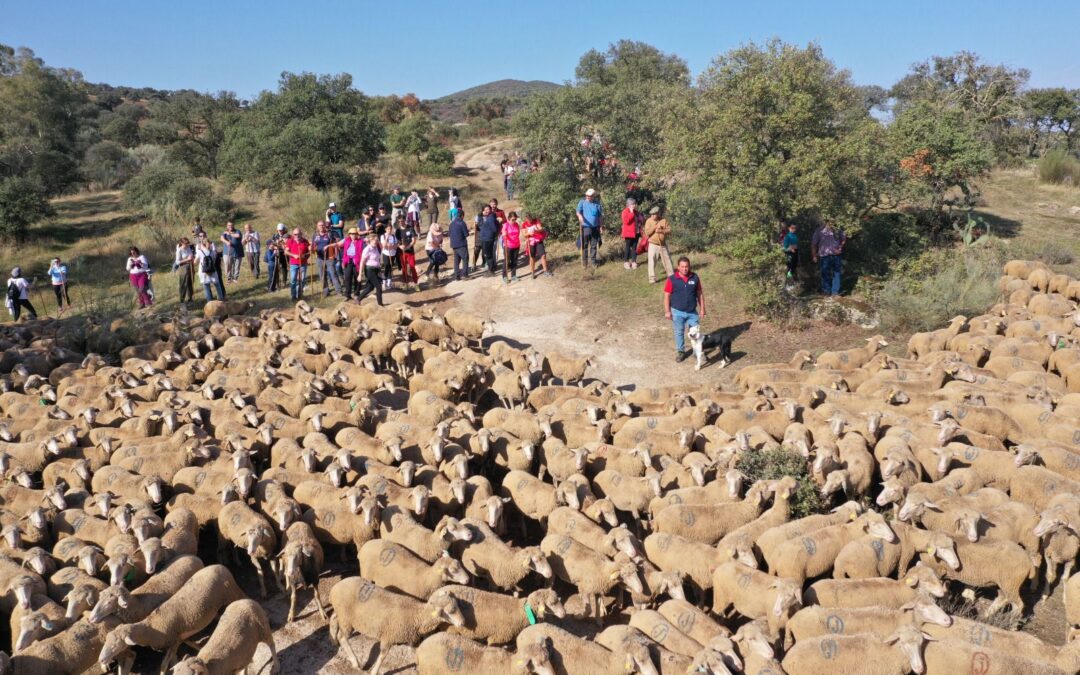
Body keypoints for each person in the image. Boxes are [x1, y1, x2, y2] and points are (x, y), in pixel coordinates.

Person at [664, 256, 706, 363]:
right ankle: (681, 352)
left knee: (695, 332)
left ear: (689, 266)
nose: (684, 269)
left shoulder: (695, 277)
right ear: (678, 267)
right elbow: (667, 296)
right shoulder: (672, 279)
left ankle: (697, 352)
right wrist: (667, 311)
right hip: (677, 312)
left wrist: (702, 309)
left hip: (692, 312)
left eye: (686, 266)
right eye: (682, 267)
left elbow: (700, 294)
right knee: (679, 332)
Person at [811, 221, 846, 296]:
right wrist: (814, 256)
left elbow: (843, 239)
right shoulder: (819, 230)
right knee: (825, 273)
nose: (831, 222)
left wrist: (840, 248)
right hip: (824, 256)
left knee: (837, 273)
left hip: (836, 255)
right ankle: (826, 291)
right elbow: (814, 244)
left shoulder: (838, 229)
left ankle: (835, 292)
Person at [312, 221, 343, 297]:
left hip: (329, 257)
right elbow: (313, 246)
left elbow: (335, 243)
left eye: (322, 225)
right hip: (320, 258)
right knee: (322, 275)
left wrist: (331, 249)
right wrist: (312, 248)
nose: (321, 227)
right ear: (317, 226)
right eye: (320, 225)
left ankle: (338, 291)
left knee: (333, 274)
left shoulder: (329, 234)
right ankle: (325, 291)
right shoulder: (315, 235)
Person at [643, 206, 673, 284]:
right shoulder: (648, 221)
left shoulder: (663, 220)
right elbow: (647, 233)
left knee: (667, 261)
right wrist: (655, 228)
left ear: (658, 214)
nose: (652, 216)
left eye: (654, 214)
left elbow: (670, 230)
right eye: (651, 214)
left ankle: (671, 276)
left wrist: (661, 230)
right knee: (652, 261)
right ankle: (652, 279)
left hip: (662, 245)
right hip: (653, 244)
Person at [576, 188, 603, 267]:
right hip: (585, 227)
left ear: (593, 196)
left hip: (595, 227)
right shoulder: (582, 202)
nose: (587, 196)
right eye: (587, 195)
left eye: (589, 196)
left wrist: (601, 226)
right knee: (585, 245)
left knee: (594, 245)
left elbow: (600, 216)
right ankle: (585, 262)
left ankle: (593, 262)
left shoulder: (597, 204)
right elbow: (578, 211)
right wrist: (580, 216)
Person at [355, 233, 384, 306]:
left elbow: (377, 260)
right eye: (376, 240)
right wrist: (360, 274)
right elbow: (362, 262)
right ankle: (380, 305)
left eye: (377, 240)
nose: (377, 242)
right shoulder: (367, 249)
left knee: (370, 287)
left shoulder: (376, 248)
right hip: (369, 270)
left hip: (376, 270)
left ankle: (358, 298)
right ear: (371, 240)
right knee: (378, 286)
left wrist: (379, 269)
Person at [285, 228, 311, 301]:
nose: (297, 235)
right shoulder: (290, 241)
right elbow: (286, 252)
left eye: (298, 234)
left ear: (301, 234)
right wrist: (293, 255)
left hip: (303, 263)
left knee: (302, 279)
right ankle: (293, 296)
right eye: (295, 234)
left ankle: (300, 294)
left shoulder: (305, 241)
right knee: (293, 280)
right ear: (293, 234)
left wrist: (307, 253)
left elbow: (309, 251)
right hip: (293, 263)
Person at [523, 214, 551, 278]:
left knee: (543, 255)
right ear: (526, 219)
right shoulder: (524, 224)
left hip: (538, 239)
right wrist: (529, 233)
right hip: (531, 241)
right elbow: (524, 234)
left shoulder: (536, 221)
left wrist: (536, 230)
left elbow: (541, 228)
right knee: (532, 257)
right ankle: (532, 272)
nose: (529, 220)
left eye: (530, 219)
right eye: (527, 219)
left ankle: (545, 271)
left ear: (531, 218)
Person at [396, 217, 420, 289]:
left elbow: (414, 240)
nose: (401, 222)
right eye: (399, 221)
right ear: (398, 222)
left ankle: (416, 284)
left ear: (404, 221)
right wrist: (400, 246)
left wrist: (408, 247)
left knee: (412, 267)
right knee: (404, 268)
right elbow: (396, 242)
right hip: (402, 252)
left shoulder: (410, 228)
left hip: (410, 252)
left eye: (402, 221)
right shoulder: (397, 231)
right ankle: (406, 283)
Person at [341, 227, 364, 301]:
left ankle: (357, 293)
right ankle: (347, 294)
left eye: (354, 234)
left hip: (357, 262)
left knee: (357, 278)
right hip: (348, 261)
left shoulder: (360, 241)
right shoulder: (346, 240)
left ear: (357, 234)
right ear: (349, 234)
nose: (353, 235)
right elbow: (338, 244)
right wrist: (330, 246)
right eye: (351, 234)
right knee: (347, 278)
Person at [477, 205, 500, 275]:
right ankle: (491, 268)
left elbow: (494, 229)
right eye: (485, 209)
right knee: (487, 254)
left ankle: (491, 270)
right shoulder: (488, 217)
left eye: (488, 209)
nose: (486, 211)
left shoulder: (491, 218)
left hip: (488, 239)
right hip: (485, 238)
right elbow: (480, 225)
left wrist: (491, 234)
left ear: (490, 210)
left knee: (488, 255)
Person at [621, 198, 643, 269]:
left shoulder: (636, 212)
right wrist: (631, 213)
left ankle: (634, 262)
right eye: (632, 204)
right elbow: (626, 221)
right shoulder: (625, 211)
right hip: (628, 233)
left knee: (634, 248)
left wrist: (640, 219)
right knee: (627, 247)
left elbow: (641, 219)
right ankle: (626, 262)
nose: (634, 205)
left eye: (634, 204)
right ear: (628, 205)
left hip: (636, 232)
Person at [501, 212, 522, 283]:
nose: (514, 221)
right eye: (513, 219)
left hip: (516, 245)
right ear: (509, 218)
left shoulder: (516, 225)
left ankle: (513, 276)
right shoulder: (505, 225)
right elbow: (503, 233)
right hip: (508, 245)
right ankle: (504, 276)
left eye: (515, 219)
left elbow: (518, 233)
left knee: (514, 261)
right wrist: (504, 234)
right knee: (506, 261)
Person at [448, 210, 470, 281]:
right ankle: (465, 275)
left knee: (456, 261)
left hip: (454, 244)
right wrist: (468, 231)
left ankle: (456, 276)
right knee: (465, 259)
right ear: (462, 216)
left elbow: (449, 234)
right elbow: (466, 234)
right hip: (461, 244)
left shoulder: (451, 223)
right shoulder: (462, 223)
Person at [267, 224, 289, 292]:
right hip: (277, 253)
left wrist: (284, 245)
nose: (280, 231)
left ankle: (284, 281)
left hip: (284, 252)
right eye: (279, 230)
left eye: (281, 230)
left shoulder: (287, 235)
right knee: (276, 268)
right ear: (277, 230)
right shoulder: (275, 236)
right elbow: (272, 244)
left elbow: (288, 243)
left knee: (284, 267)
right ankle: (277, 283)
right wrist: (277, 244)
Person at [173, 240, 194, 308]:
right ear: (182, 243)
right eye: (186, 244)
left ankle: (190, 299)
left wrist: (191, 257)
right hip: (183, 267)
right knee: (183, 284)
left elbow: (191, 255)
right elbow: (177, 262)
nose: (187, 245)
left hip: (190, 266)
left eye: (188, 243)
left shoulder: (188, 248)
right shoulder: (179, 250)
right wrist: (187, 259)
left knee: (190, 283)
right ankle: (182, 300)